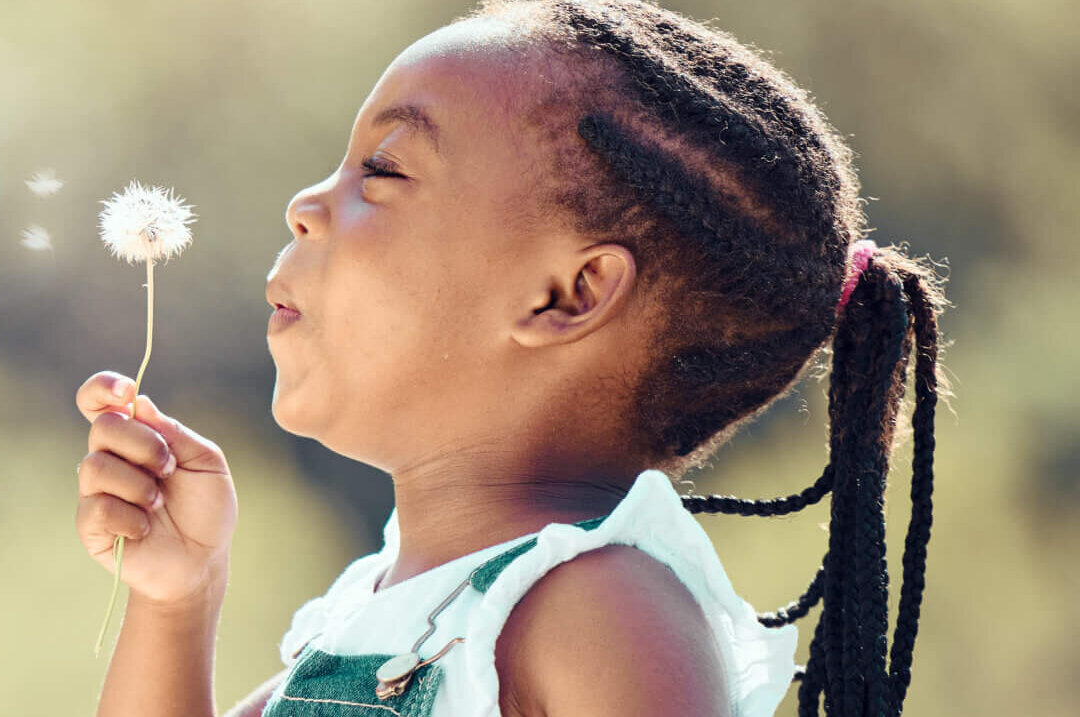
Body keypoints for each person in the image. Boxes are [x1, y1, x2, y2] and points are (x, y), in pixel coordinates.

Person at [72, 1, 947, 715]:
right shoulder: (378, 610)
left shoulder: (599, 609)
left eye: (381, 169)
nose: (305, 203)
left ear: (566, 294)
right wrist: (177, 601)